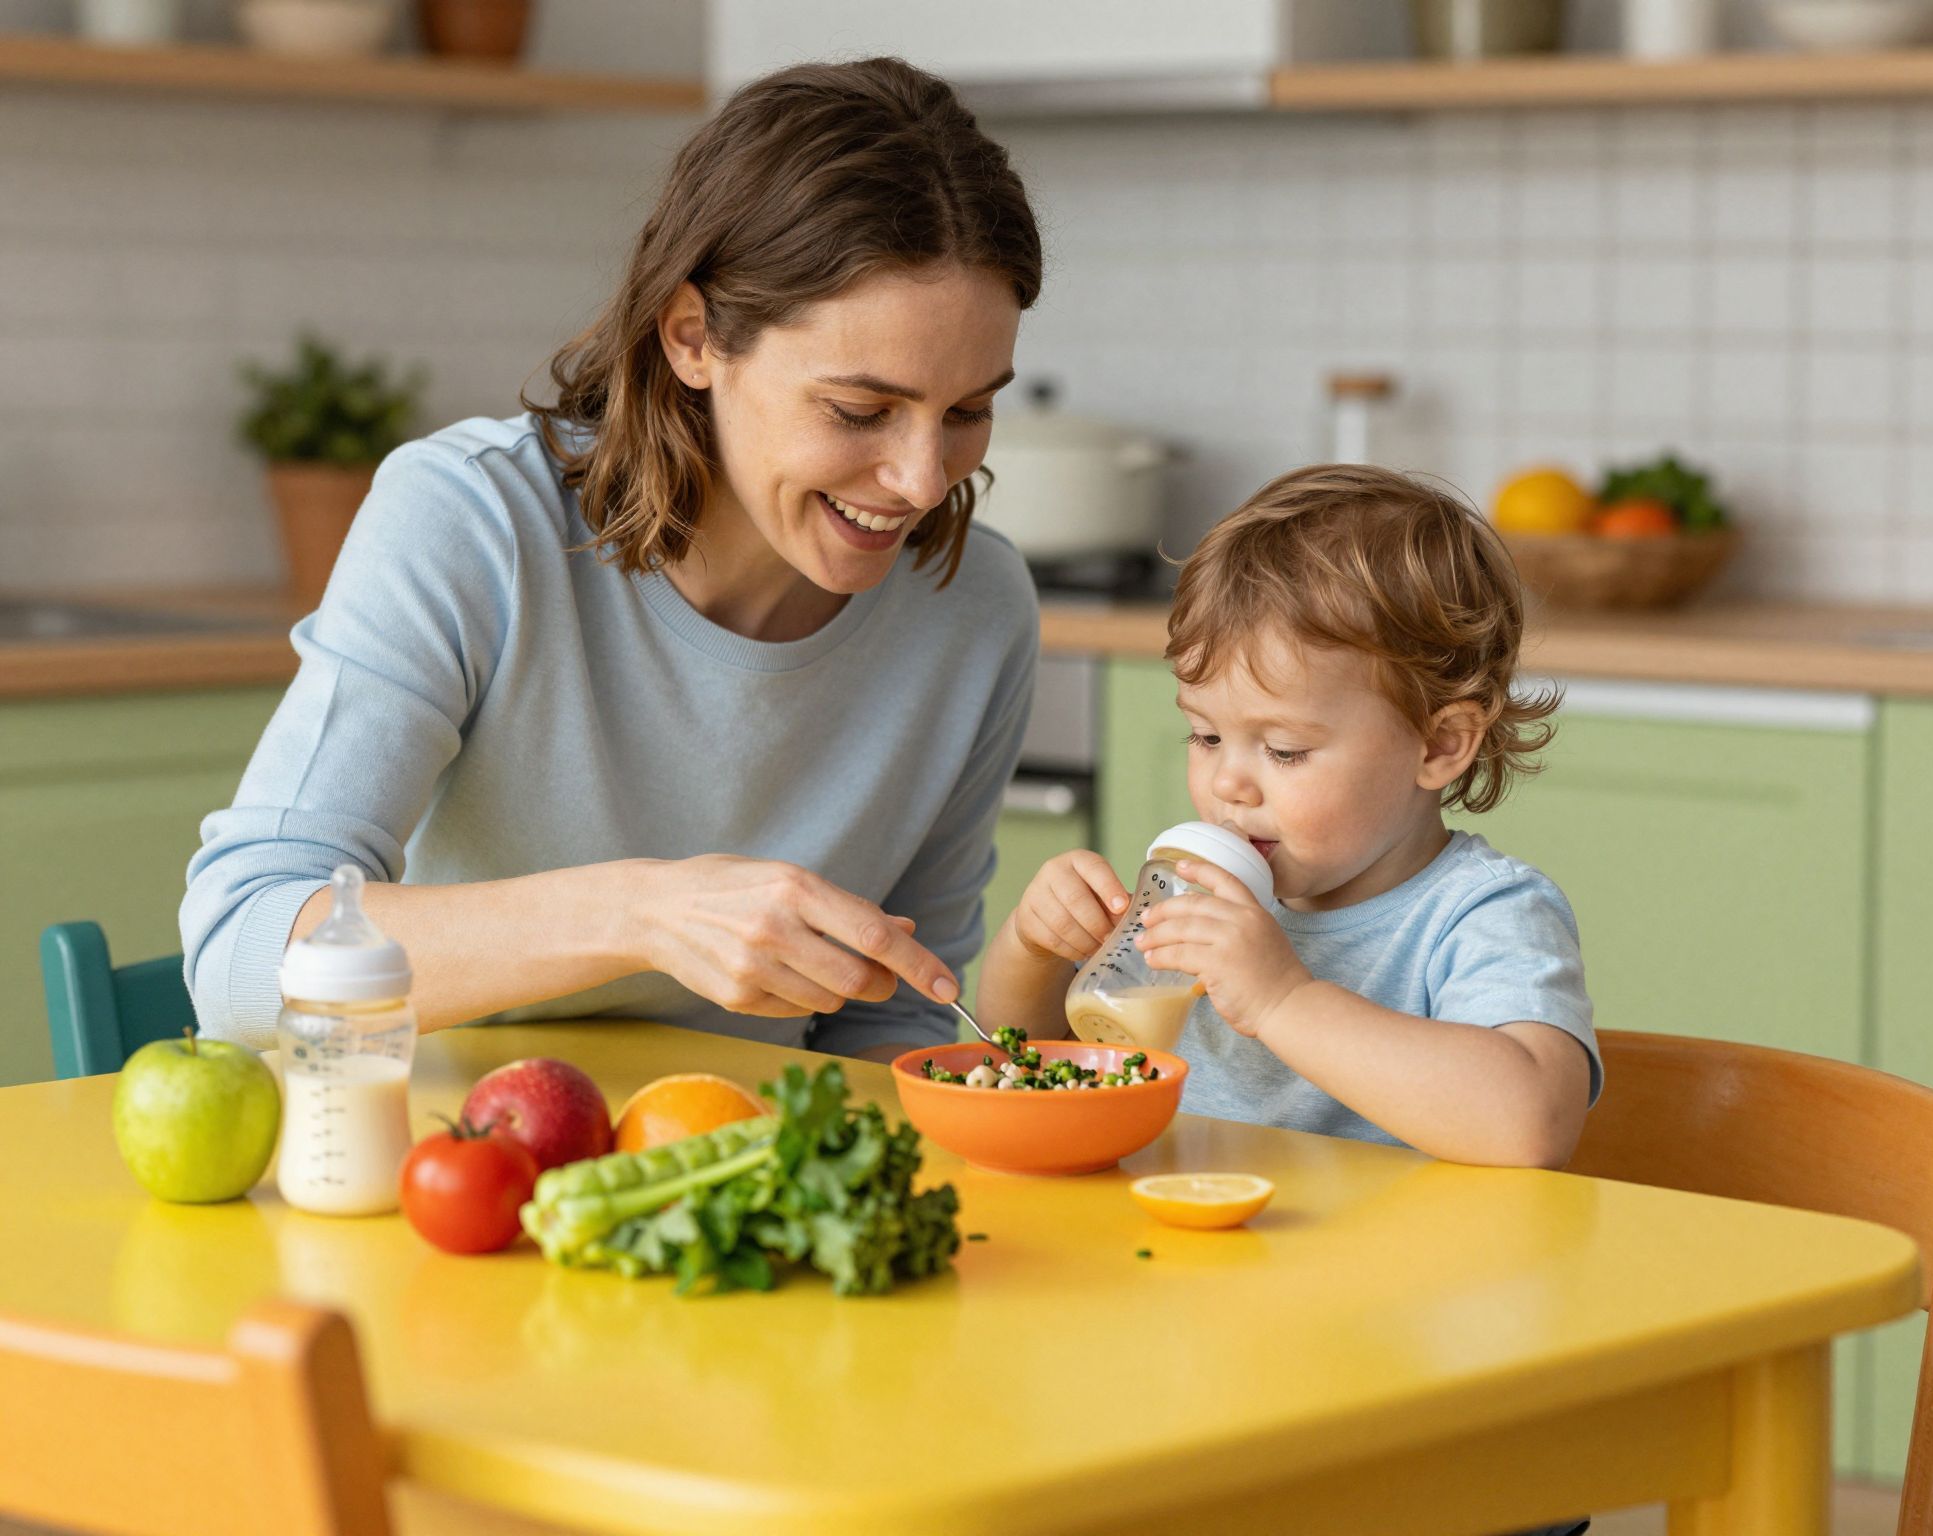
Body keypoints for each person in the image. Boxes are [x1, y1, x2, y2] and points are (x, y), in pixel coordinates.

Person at [182, 57, 1043, 1064]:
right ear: (692, 337)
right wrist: (640, 913)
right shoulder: (474, 525)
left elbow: (888, 1024)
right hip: (434, 1176)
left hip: (744, 1183)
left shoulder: (972, 612)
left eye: (969, 412)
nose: (920, 478)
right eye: (859, 411)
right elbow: (240, 955)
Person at [976, 463, 1601, 1169]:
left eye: (1283, 749)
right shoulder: (1194, 897)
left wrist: (1281, 999)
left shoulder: (1480, 915)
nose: (1227, 784)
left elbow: (1530, 1125)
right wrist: (1033, 950)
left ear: (1438, 743)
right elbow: (1020, 1054)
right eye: (1207, 736)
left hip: (1401, 1274)